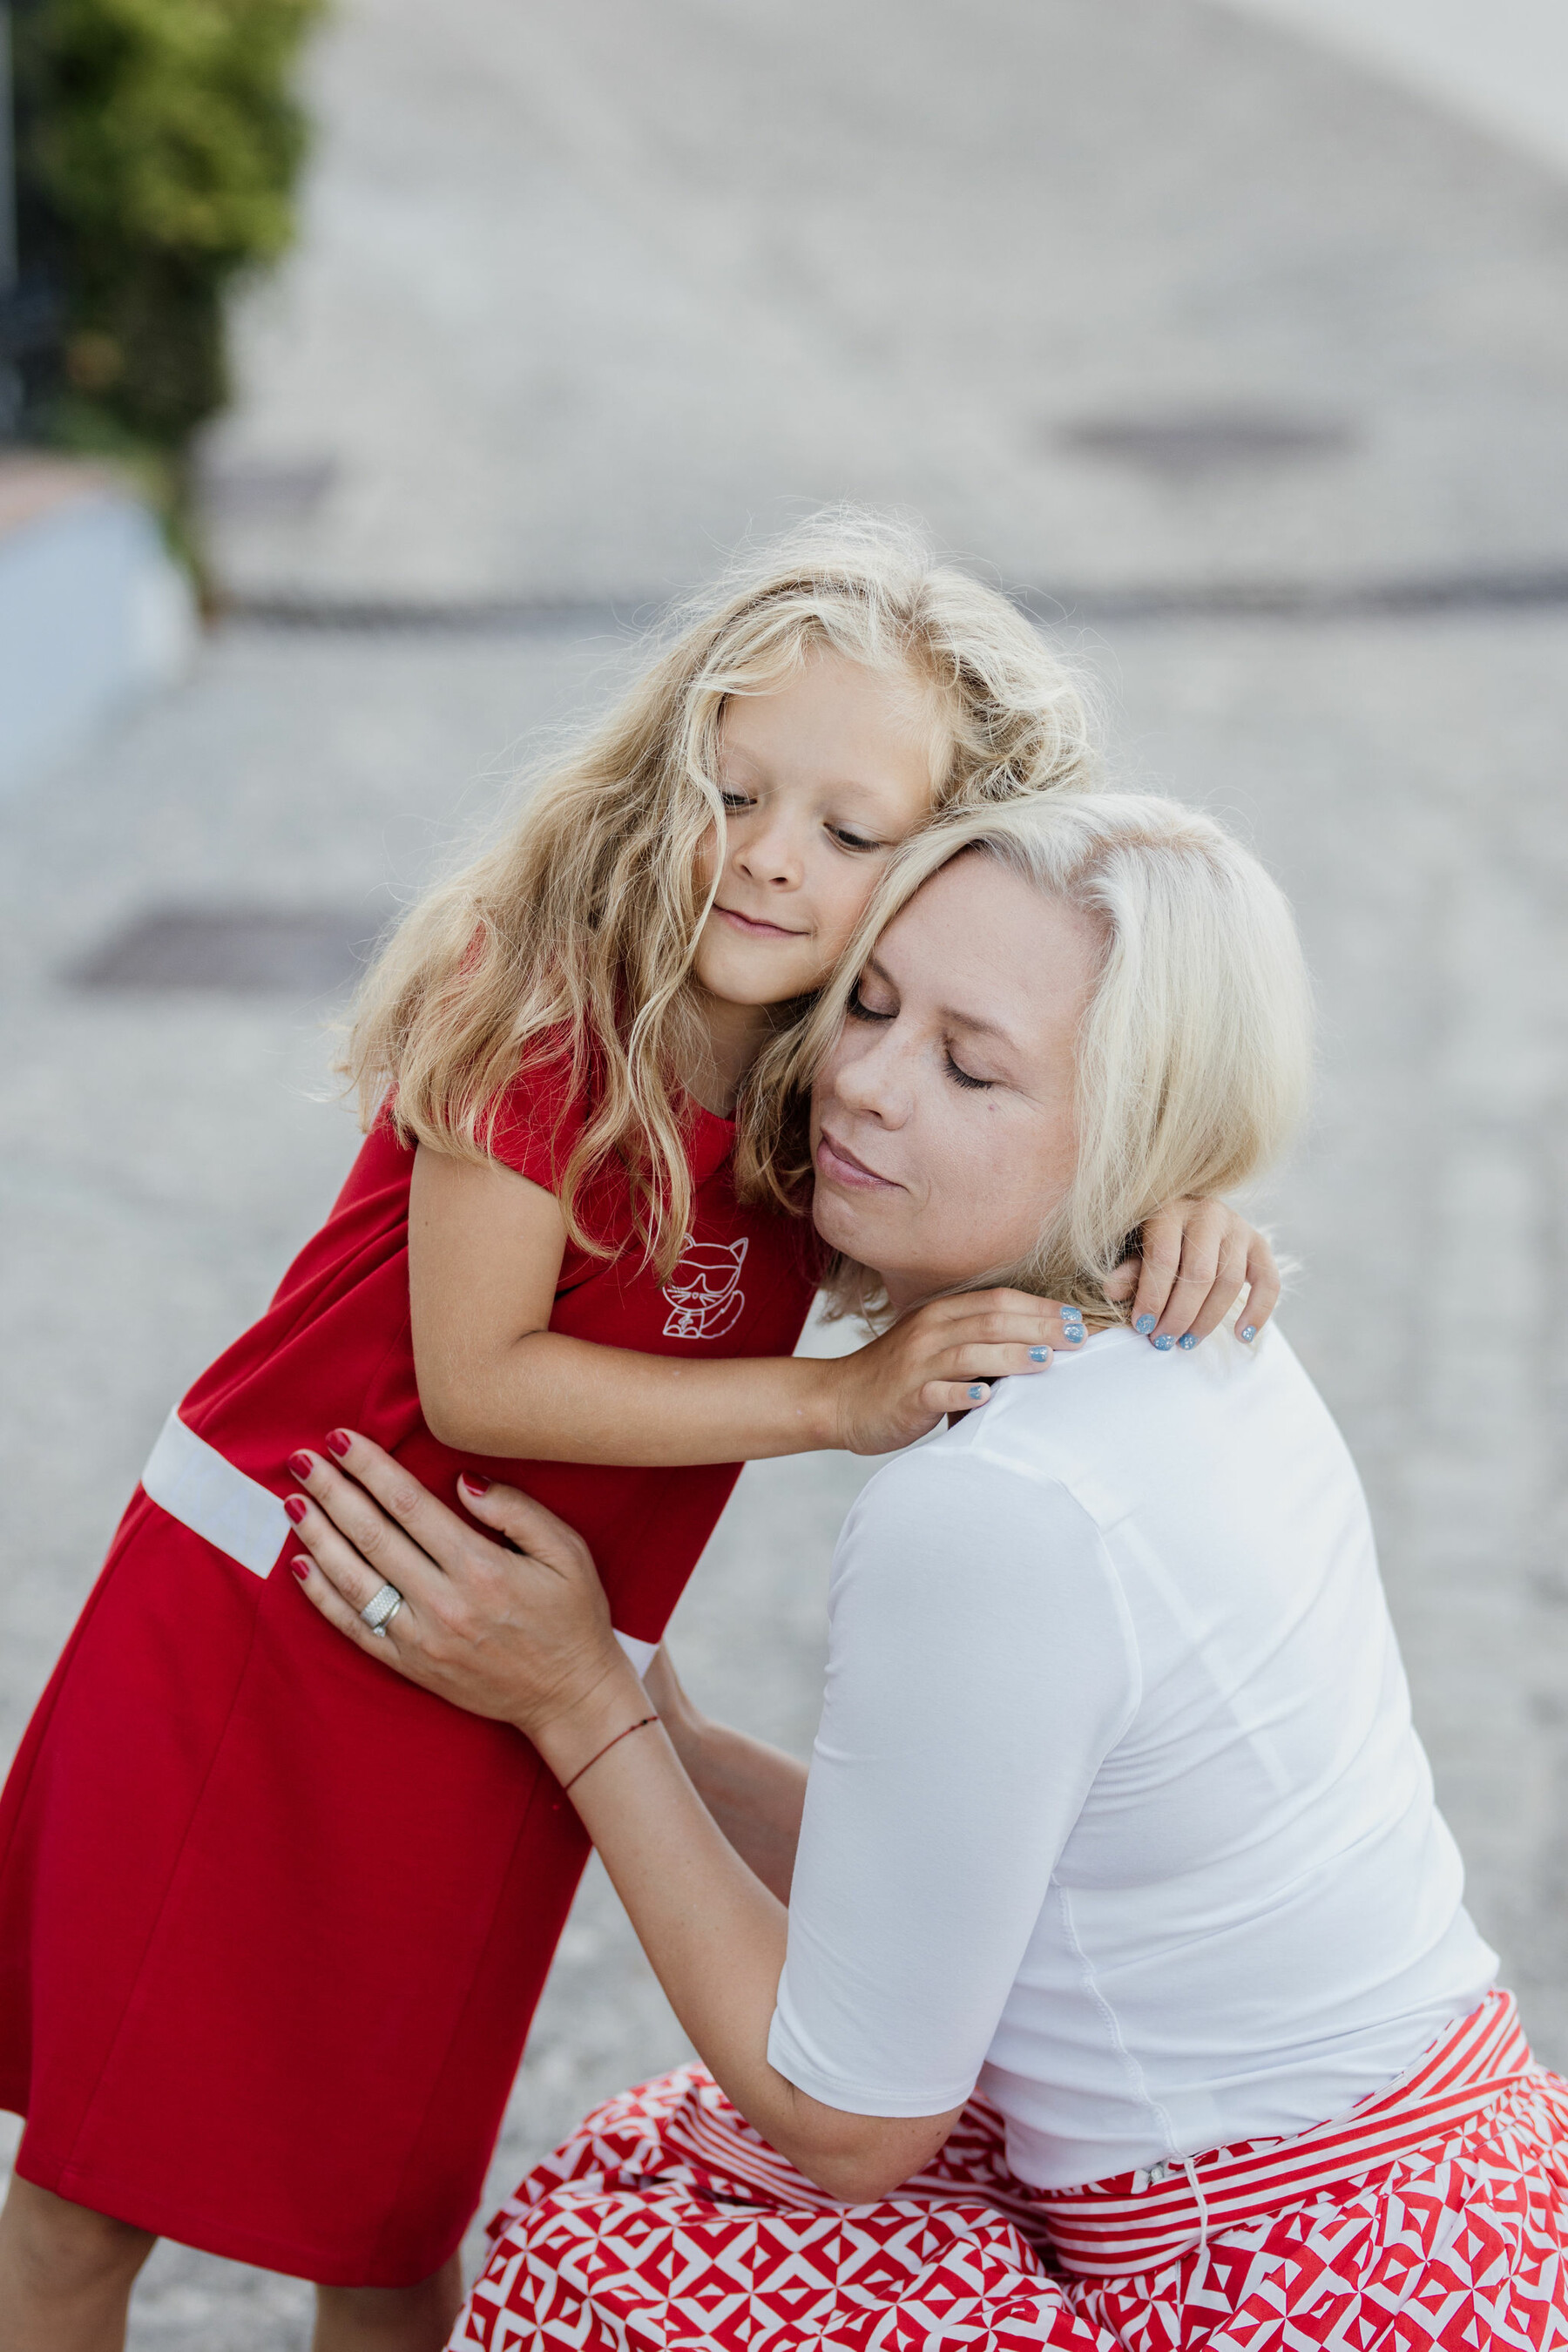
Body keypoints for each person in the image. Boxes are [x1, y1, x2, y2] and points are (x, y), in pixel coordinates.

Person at [0, 518, 1274, 2352]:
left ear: (934, 875)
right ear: (664, 767)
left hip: (502, 1678)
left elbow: (1025, 1175)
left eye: (850, 834)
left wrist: (1189, 1215)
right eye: (733, 788)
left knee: (391, 2208)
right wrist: (836, 1403)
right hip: (273, 1615)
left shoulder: (828, 1080)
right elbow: (481, 1381)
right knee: (87, 2198)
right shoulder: (537, 987)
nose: (767, 855)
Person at [287, 791, 1566, 2352]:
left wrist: (578, 1711)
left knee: (611, 2255)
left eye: (971, 1067)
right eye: (869, 1006)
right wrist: (667, 1730)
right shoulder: (1199, 1331)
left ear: (1142, 1132)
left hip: (1287, 2286)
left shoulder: (998, 1499)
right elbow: (967, 1870)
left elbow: (847, 2116)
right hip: (1448, 2194)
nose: (864, 1090)